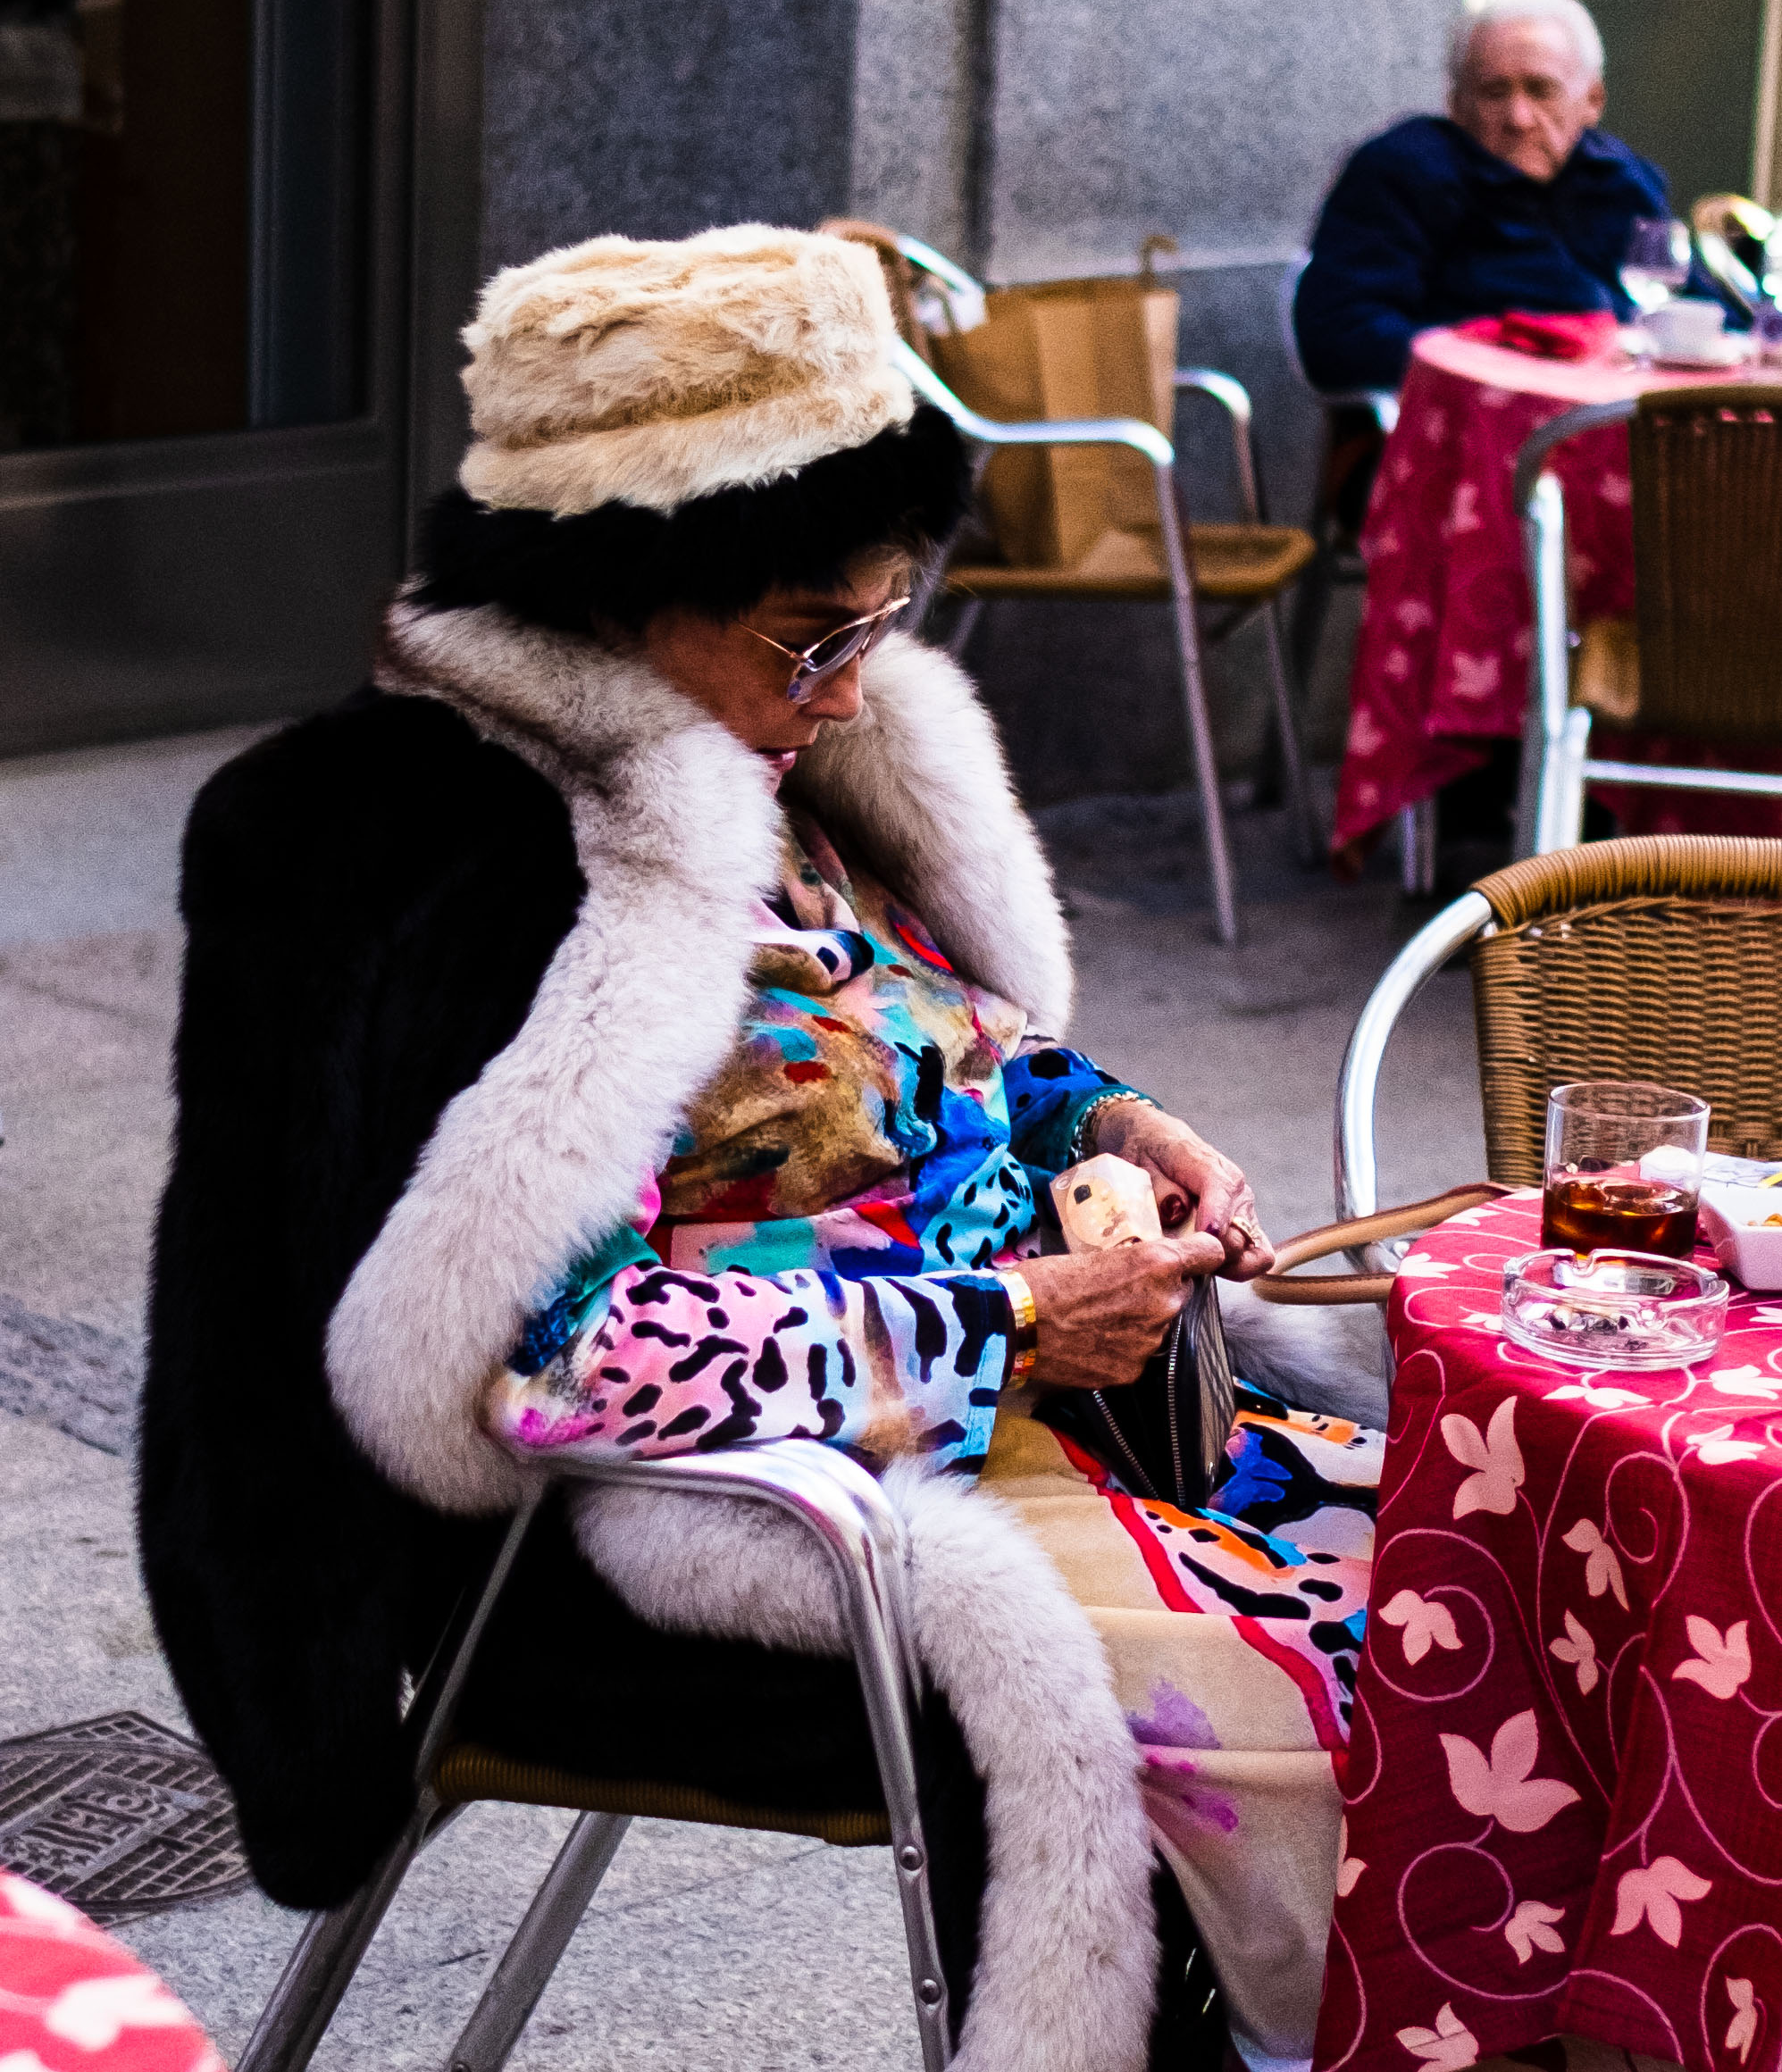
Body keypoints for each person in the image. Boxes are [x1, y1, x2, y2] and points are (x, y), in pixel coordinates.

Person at [138, 224, 1379, 2072]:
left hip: (1021, 1414)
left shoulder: (778, 765)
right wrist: (1012, 1323)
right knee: (1333, 1681)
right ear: (618, 596)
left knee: (1464, 1577)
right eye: (813, 632)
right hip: (708, 1531)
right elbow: (558, 1368)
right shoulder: (473, 860)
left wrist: (1117, 1118)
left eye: (881, 620)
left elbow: (942, 1041)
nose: (856, 687)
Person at [1293, 0, 1671, 393]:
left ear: (1592, 101)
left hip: (1628, 420)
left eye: (1541, 90)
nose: (1519, 118)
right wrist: (1508, 358)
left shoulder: (1623, 179)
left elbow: (1693, 308)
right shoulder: (1404, 172)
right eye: (1495, 93)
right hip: (1472, 426)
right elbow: (1337, 337)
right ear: (1456, 103)